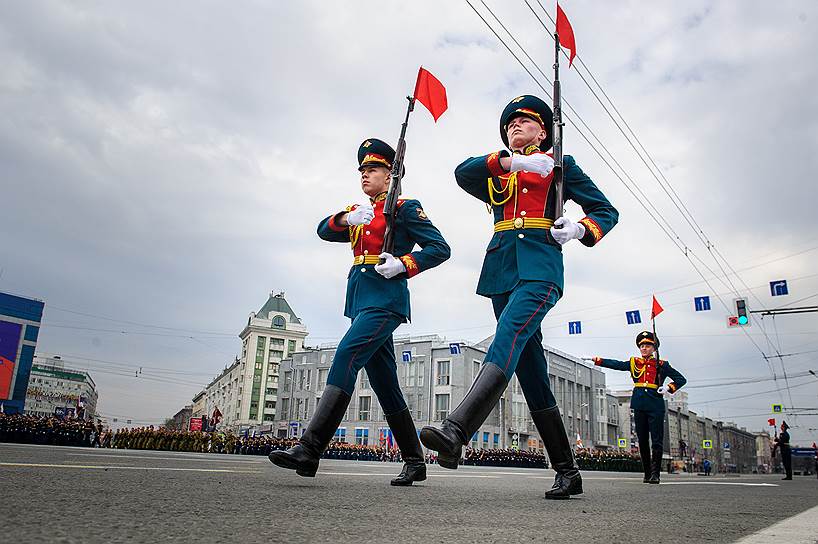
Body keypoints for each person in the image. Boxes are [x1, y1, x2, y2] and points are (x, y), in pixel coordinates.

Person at [419, 95, 618, 499]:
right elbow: (462, 172)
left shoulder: (562, 166)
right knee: (531, 374)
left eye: (524, 122)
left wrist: (580, 229)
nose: (514, 126)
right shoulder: (501, 172)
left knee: (507, 334)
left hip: (540, 269)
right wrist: (515, 162)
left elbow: (606, 210)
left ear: (543, 131)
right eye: (510, 123)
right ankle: (567, 470)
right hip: (501, 272)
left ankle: (458, 429)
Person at [269, 138, 450, 486]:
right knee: (386, 388)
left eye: (373, 169)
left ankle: (309, 448)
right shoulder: (361, 211)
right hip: (361, 302)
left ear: (392, 173)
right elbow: (323, 230)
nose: (365, 176)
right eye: (363, 170)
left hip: (386, 300)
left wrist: (403, 263)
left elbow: (440, 248)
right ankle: (415, 462)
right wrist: (346, 217)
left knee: (347, 355)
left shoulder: (405, 208)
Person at [592, 331, 686, 484]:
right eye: (642, 346)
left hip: (655, 403)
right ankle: (647, 473)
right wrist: (599, 361)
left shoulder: (662, 365)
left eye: (647, 345)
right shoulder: (634, 363)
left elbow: (681, 379)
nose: (644, 348)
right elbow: (617, 365)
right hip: (639, 403)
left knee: (656, 440)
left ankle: (656, 474)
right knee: (642, 440)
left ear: (654, 347)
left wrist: (668, 388)